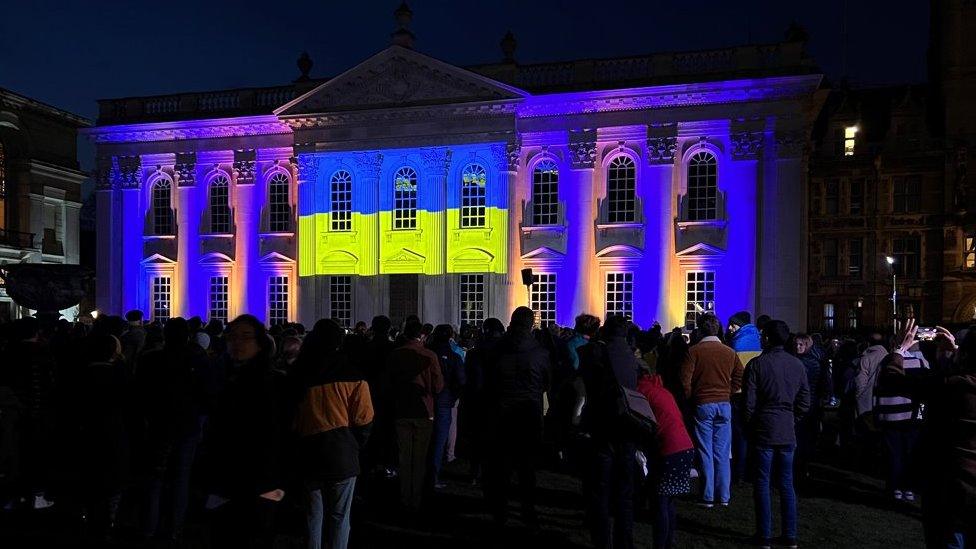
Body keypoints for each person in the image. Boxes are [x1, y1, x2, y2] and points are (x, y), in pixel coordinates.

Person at [202, 315, 290, 549]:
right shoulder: (224, 378)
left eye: (245, 337)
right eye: (232, 336)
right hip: (227, 482)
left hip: (260, 483)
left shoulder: (274, 383)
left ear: (260, 343)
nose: (237, 342)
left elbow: (283, 437)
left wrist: (277, 488)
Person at [292, 319, 374, 549]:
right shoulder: (354, 374)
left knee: (313, 515)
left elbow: (292, 417)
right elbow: (364, 418)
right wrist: (355, 443)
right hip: (342, 451)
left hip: (309, 450)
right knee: (339, 517)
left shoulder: (300, 373)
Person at [136, 317, 215, 541]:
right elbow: (207, 395)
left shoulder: (150, 359)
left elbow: (139, 393)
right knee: (181, 478)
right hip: (187, 425)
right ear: (188, 336)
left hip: (159, 425)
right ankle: (174, 529)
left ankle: (149, 528)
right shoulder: (197, 360)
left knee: (155, 477)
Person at [743, 320, 810, 549]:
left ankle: (764, 536)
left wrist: (751, 424)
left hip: (765, 429)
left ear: (768, 338)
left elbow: (749, 404)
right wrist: (792, 418)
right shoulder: (797, 365)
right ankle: (789, 536)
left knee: (762, 483)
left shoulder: (757, 365)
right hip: (786, 429)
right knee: (786, 484)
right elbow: (804, 402)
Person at [578, 315, 643, 549]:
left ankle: (602, 541)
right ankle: (625, 542)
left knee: (601, 491)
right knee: (625, 492)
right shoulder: (630, 355)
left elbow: (584, 369)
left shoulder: (595, 352)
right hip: (627, 426)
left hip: (603, 425)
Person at [482, 307, 550, 528]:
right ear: (531, 325)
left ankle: (500, 512)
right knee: (527, 469)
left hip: (501, 414)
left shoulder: (497, 350)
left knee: (501, 467)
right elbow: (547, 383)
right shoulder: (540, 352)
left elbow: (489, 381)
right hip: (529, 414)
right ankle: (527, 511)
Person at [680, 314, 744, 507]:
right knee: (723, 452)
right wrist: (728, 391)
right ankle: (723, 495)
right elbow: (740, 376)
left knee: (705, 450)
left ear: (700, 330)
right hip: (724, 404)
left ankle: (707, 495)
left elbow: (685, 381)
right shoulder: (729, 352)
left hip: (703, 403)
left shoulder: (694, 351)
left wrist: (692, 396)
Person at [74, 334, 130, 541]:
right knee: (113, 480)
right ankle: (110, 519)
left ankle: (89, 516)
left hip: (88, 433)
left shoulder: (81, 374)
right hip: (114, 433)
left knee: (91, 477)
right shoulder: (120, 375)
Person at [386, 319, 443, 512]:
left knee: (404, 456)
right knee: (419, 458)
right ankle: (415, 497)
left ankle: (404, 496)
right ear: (422, 335)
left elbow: (389, 383)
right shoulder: (429, 355)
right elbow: (438, 386)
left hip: (401, 409)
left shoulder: (395, 355)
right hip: (424, 411)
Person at [636, 370, 694, 549]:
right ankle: (669, 542)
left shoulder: (641, 393)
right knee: (669, 500)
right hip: (685, 445)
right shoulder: (663, 391)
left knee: (659, 501)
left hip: (668, 447)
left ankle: (660, 544)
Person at [427, 324, 465, 488]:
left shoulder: (426, 353)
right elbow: (461, 381)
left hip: (425, 400)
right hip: (444, 401)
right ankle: (433, 477)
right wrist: (452, 397)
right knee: (439, 441)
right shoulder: (453, 356)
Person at [727, 311, 761, 483]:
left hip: (739, 395)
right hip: (756, 394)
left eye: (733, 324)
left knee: (738, 434)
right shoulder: (758, 338)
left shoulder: (738, 343)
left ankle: (739, 473)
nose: (730, 328)